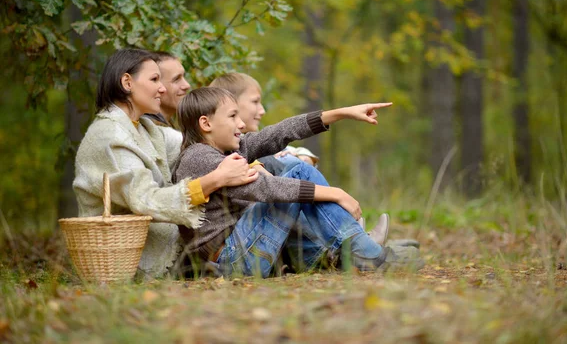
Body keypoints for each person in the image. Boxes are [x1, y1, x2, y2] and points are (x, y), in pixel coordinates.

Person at [172, 87, 423, 277]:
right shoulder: (198, 157)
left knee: (296, 173)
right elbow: (265, 188)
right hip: (233, 261)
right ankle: (365, 254)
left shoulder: (225, 152)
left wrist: (340, 113)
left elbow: (278, 132)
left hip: (242, 253)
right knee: (298, 174)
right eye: (233, 116)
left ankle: (345, 253)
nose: (241, 123)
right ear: (205, 123)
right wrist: (334, 193)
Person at [72, 49, 258, 279]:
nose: (162, 88)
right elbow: (145, 200)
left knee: (280, 176)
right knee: (269, 205)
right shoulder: (109, 137)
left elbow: (207, 143)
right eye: (154, 79)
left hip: (165, 245)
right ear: (127, 82)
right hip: (131, 261)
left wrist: (274, 157)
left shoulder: (144, 129)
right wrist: (216, 179)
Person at [209, 72, 390, 244]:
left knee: (291, 163)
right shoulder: (220, 155)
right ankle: (350, 239)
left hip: (270, 224)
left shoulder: (247, 143)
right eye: (255, 102)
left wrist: (304, 156)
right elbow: (271, 185)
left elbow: (284, 133)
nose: (262, 110)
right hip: (251, 235)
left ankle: (350, 239)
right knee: (288, 168)